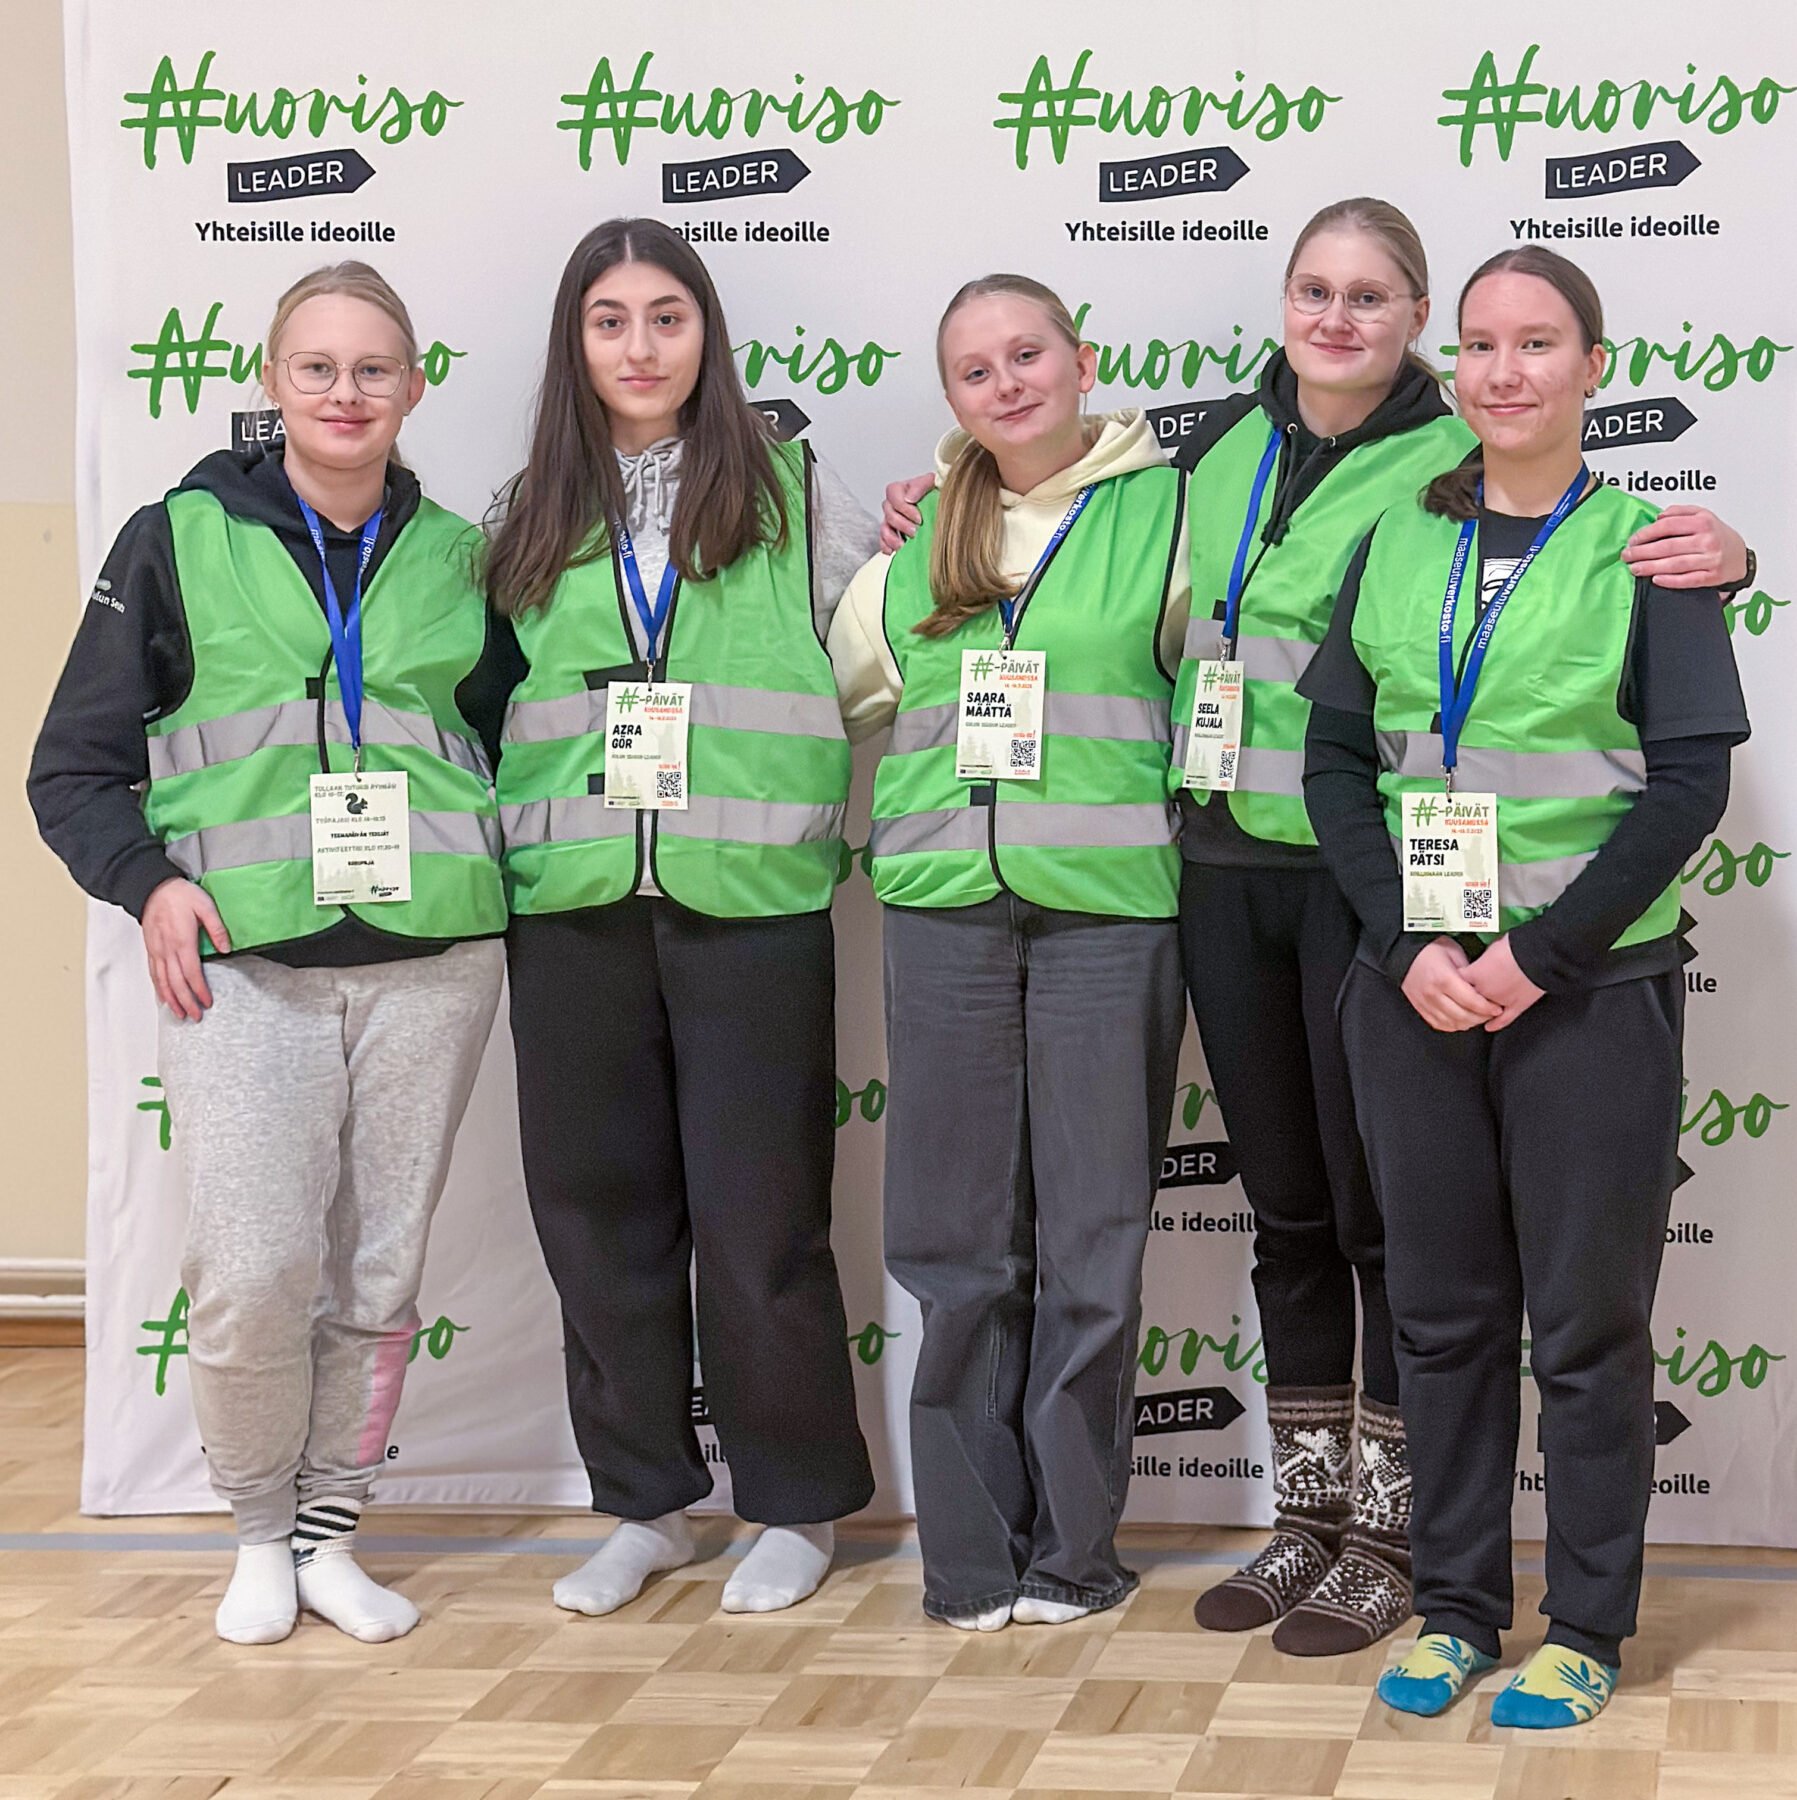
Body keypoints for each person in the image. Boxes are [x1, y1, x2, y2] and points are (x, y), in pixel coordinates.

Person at [881, 199, 1749, 1655]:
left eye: (1371, 296)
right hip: (1223, 866)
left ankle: (1395, 1540)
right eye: (1312, 291)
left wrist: (1727, 551)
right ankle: (1309, 1515)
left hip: (1369, 887)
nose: (1337, 319)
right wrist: (939, 485)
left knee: (1389, 1226)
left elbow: (1584, 555)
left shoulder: (1455, 459)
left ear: (1416, 322)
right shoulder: (1208, 446)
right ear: (1280, 305)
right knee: (1286, 1214)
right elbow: (1047, 492)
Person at [1299, 245, 1748, 1727]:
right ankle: (1453, 1610)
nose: (1504, 371)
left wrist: (1533, 958)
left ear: (1592, 368)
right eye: (1483, 344)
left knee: (1587, 1331)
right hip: (1414, 989)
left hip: (1588, 993)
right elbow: (1333, 766)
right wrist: (1407, 947)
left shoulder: (1653, 553)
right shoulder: (1394, 541)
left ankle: (1588, 1629)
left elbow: (1684, 789)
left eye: (1538, 343)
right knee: (1438, 1319)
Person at [29, 263, 508, 1645]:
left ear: (414, 384)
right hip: (242, 963)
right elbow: (72, 767)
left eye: (373, 369)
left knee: (380, 1275)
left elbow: (518, 744)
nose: (346, 394)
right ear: (272, 382)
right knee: (251, 1273)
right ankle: (254, 1533)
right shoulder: (174, 539)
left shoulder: (463, 557)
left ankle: (330, 1534)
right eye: (318, 368)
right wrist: (149, 889)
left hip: (434, 960)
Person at [485, 218, 878, 1618]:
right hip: (574, 907)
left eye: (667, 316)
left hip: (748, 905)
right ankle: (644, 1503)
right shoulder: (526, 507)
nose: (640, 346)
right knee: (598, 1219)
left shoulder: (793, 491)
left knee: (761, 1221)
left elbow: (882, 659)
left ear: (707, 333)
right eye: (610, 321)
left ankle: (794, 1506)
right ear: (574, 343)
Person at [831, 274, 1190, 1630]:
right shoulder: (916, 543)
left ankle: (1076, 1556)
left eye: (1027, 354)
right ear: (952, 399)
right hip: (944, 918)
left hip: (1109, 914)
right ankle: (971, 1559)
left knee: (1093, 1243)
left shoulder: (1171, 516)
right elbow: (844, 701)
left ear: (1081, 360)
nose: (1007, 384)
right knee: (956, 1248)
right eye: (974, 371)